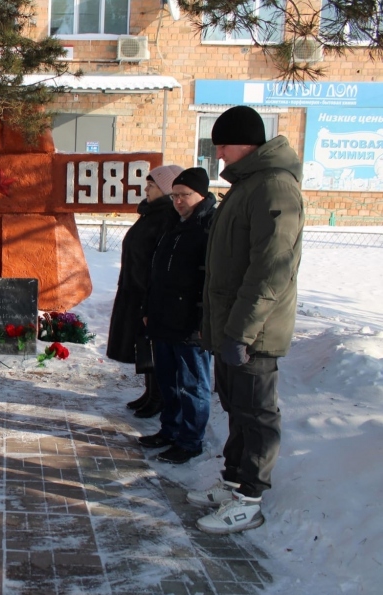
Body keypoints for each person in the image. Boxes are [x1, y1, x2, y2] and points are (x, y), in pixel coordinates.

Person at [188, 105, 304, 534]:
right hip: (233, 326)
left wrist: (242, 331)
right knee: (236, 409)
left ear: (246, 143)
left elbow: (270, 270)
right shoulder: (247, 185)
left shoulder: (274, 188)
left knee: (256, 414)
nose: (218, 154)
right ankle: (234, 482)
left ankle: (250, 500)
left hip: (255, 331)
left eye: (223, 145)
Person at [138, 168, 217, 464]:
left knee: (192, 385)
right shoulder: (173, 223)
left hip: (190, 323)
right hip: (163, 318)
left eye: (185, 195)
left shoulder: (210, 226)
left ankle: (190, 440)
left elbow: (213, 280)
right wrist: (148, 309)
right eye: (174, 195)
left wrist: (203, 320)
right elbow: (157, 272)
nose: (178, 201)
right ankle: (169, 431)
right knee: (168, 381)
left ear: (202, 195)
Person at [106, 164, 183, 418]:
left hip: (147, 290)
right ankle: (150, 392)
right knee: (142, 343)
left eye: (152, 186)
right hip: (134, 289)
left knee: (152, 344)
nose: (146, 190)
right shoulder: (151, 214)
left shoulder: (166, 217)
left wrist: (145, 288)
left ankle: (159, 397)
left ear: (166, 189)